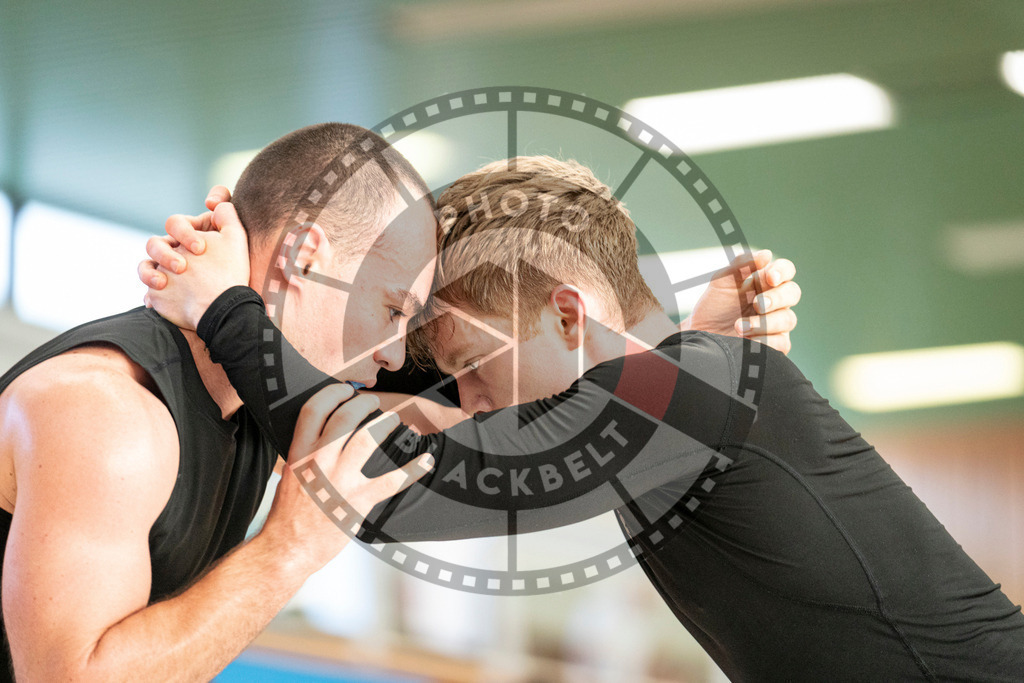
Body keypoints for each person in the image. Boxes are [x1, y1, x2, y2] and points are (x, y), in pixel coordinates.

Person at [144, 154, 1024, 680]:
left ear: (570, 314)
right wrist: (279, 277)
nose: (461, 398)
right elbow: (400, 368)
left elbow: (388, 488)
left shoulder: (691, 389)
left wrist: (225, 305)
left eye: (471, 367)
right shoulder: (683, 384)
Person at [0, 123, 436, 681]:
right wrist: (290, 547)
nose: (396, 354)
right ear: (304, 257)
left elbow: (452, 464)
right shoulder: (109, 412)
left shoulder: (249, 413)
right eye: (394, 310)